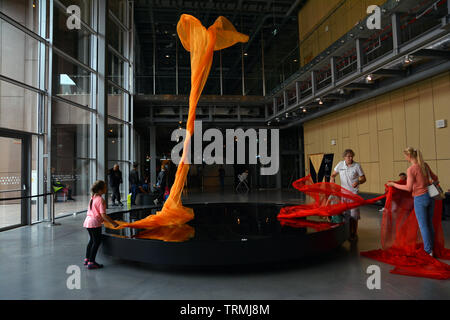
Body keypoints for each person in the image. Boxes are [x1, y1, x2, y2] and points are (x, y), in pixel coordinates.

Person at [387, 147, 439, 256]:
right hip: (430, 197)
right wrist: (427, 183)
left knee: (423, 226)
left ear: (409, 156)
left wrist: (393, 184)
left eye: (405, 156)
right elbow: (436, 178)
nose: (405, 158)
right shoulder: (425, 165)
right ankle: (432, 248)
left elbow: (408, 188)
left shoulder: (411, 169)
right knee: (429, 224)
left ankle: (428, 251)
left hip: (420, 198)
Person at [330, 149, 366, 241]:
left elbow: (363, 178)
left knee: (354, 216)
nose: (350, 158)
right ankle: (348, 233)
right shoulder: (340, 164)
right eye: (348, 156)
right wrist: (332, 179)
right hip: (344, 194)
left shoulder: (357, 166)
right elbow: (333, 175)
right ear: (344, 157)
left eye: (351, 156)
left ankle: (354, 233)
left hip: (353, 194)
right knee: (346, 215)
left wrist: (358, 181)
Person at [83, 180, 119, 269]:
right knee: (96, 242)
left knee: (92, 240)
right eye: (105, 187)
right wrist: (113, 223)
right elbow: (103, 215)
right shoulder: (101, 200)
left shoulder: (93, 197)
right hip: (94, 223)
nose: (106, 189)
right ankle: (92, 262)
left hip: (88, 221)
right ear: (100, 190)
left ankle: (87, 259)